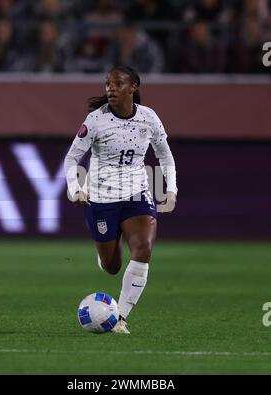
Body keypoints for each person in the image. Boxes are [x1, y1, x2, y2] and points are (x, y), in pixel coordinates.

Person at [64, 65, 177, 334]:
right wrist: (74, 188)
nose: (110, 89)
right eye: (107, 84)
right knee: (112, 266)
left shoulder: (149, 118)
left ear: (133, 87)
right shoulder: (95, 120)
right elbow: (72, 158)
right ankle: (104, 257)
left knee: (143, 250)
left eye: (116, 83)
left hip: (137, 194)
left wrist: (171, 189)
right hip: (101, 198)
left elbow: (165, 155)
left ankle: (121, 317)